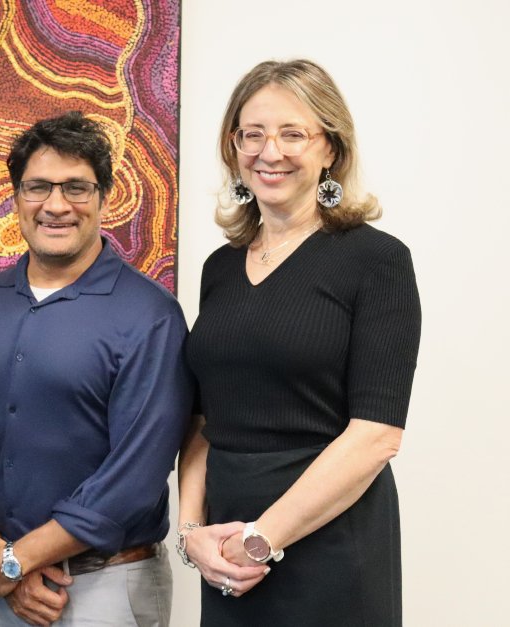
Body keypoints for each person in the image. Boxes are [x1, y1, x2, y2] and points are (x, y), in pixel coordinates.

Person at [175, 59, 422, 627]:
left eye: (293, 133)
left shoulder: (377, 261)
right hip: (229, 549)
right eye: (252, 134)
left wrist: (262, 539)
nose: (271, 151)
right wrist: (192, 534)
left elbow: (377, 436)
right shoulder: (220, 268)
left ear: (330, 148)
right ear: (233, 146)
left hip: (331, 543)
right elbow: (204, 420)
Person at [0, 111, 193, 627]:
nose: (56, 205)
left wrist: (17, 560)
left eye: (76, 187)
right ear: (15, 197)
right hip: (3, 592)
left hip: (109, 588)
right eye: (38, 187)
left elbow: (133, 479)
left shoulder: (151, 316)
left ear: (104, 197)